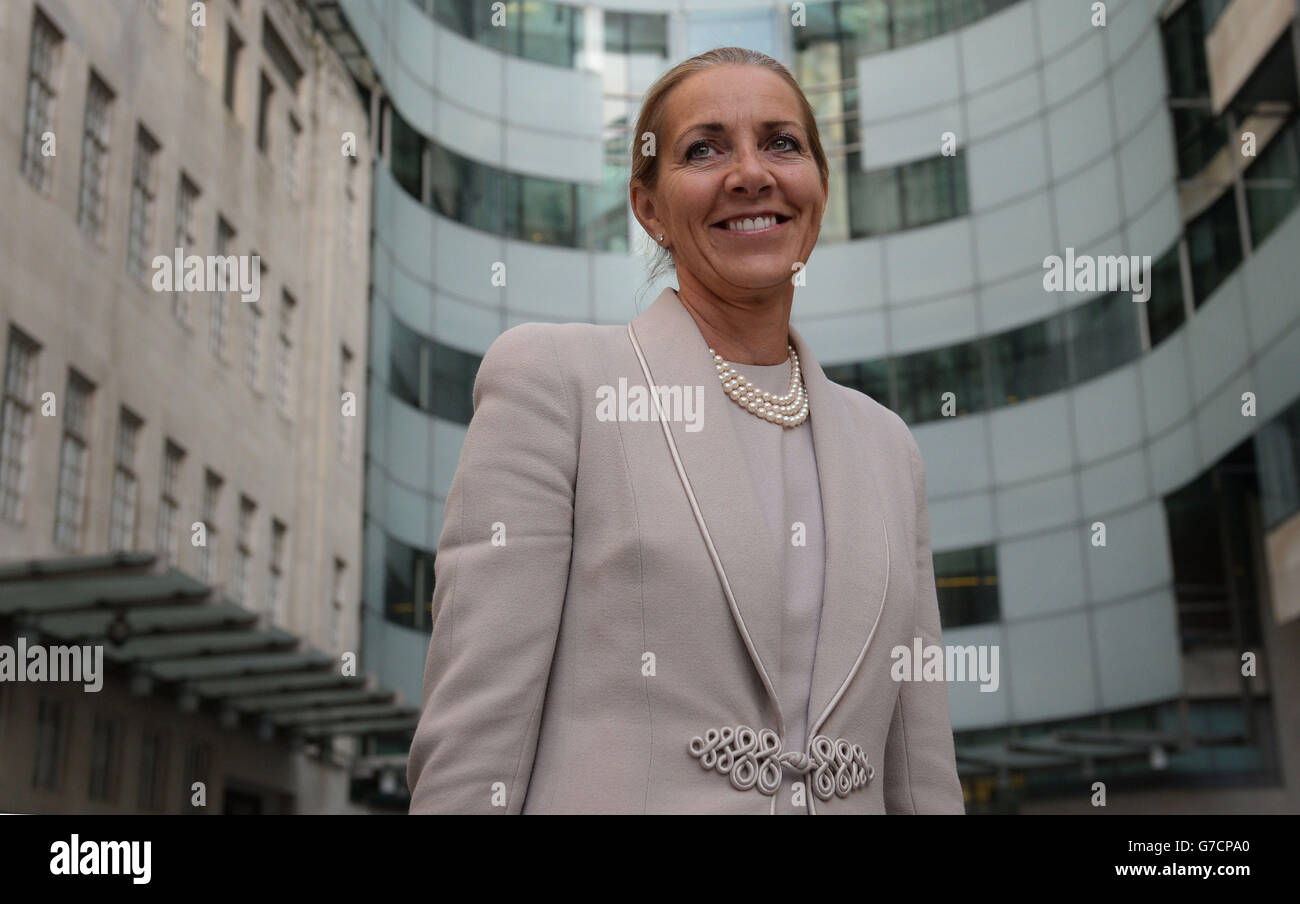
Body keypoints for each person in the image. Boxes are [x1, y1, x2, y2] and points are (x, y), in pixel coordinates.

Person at [406, 46, 964, 814]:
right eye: (704, 149)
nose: (750, 174)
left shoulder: (889, 449)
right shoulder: (555, 382)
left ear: (819, 188)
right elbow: (474, 748)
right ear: (649, 206)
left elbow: (922, 773)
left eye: (781, 143)